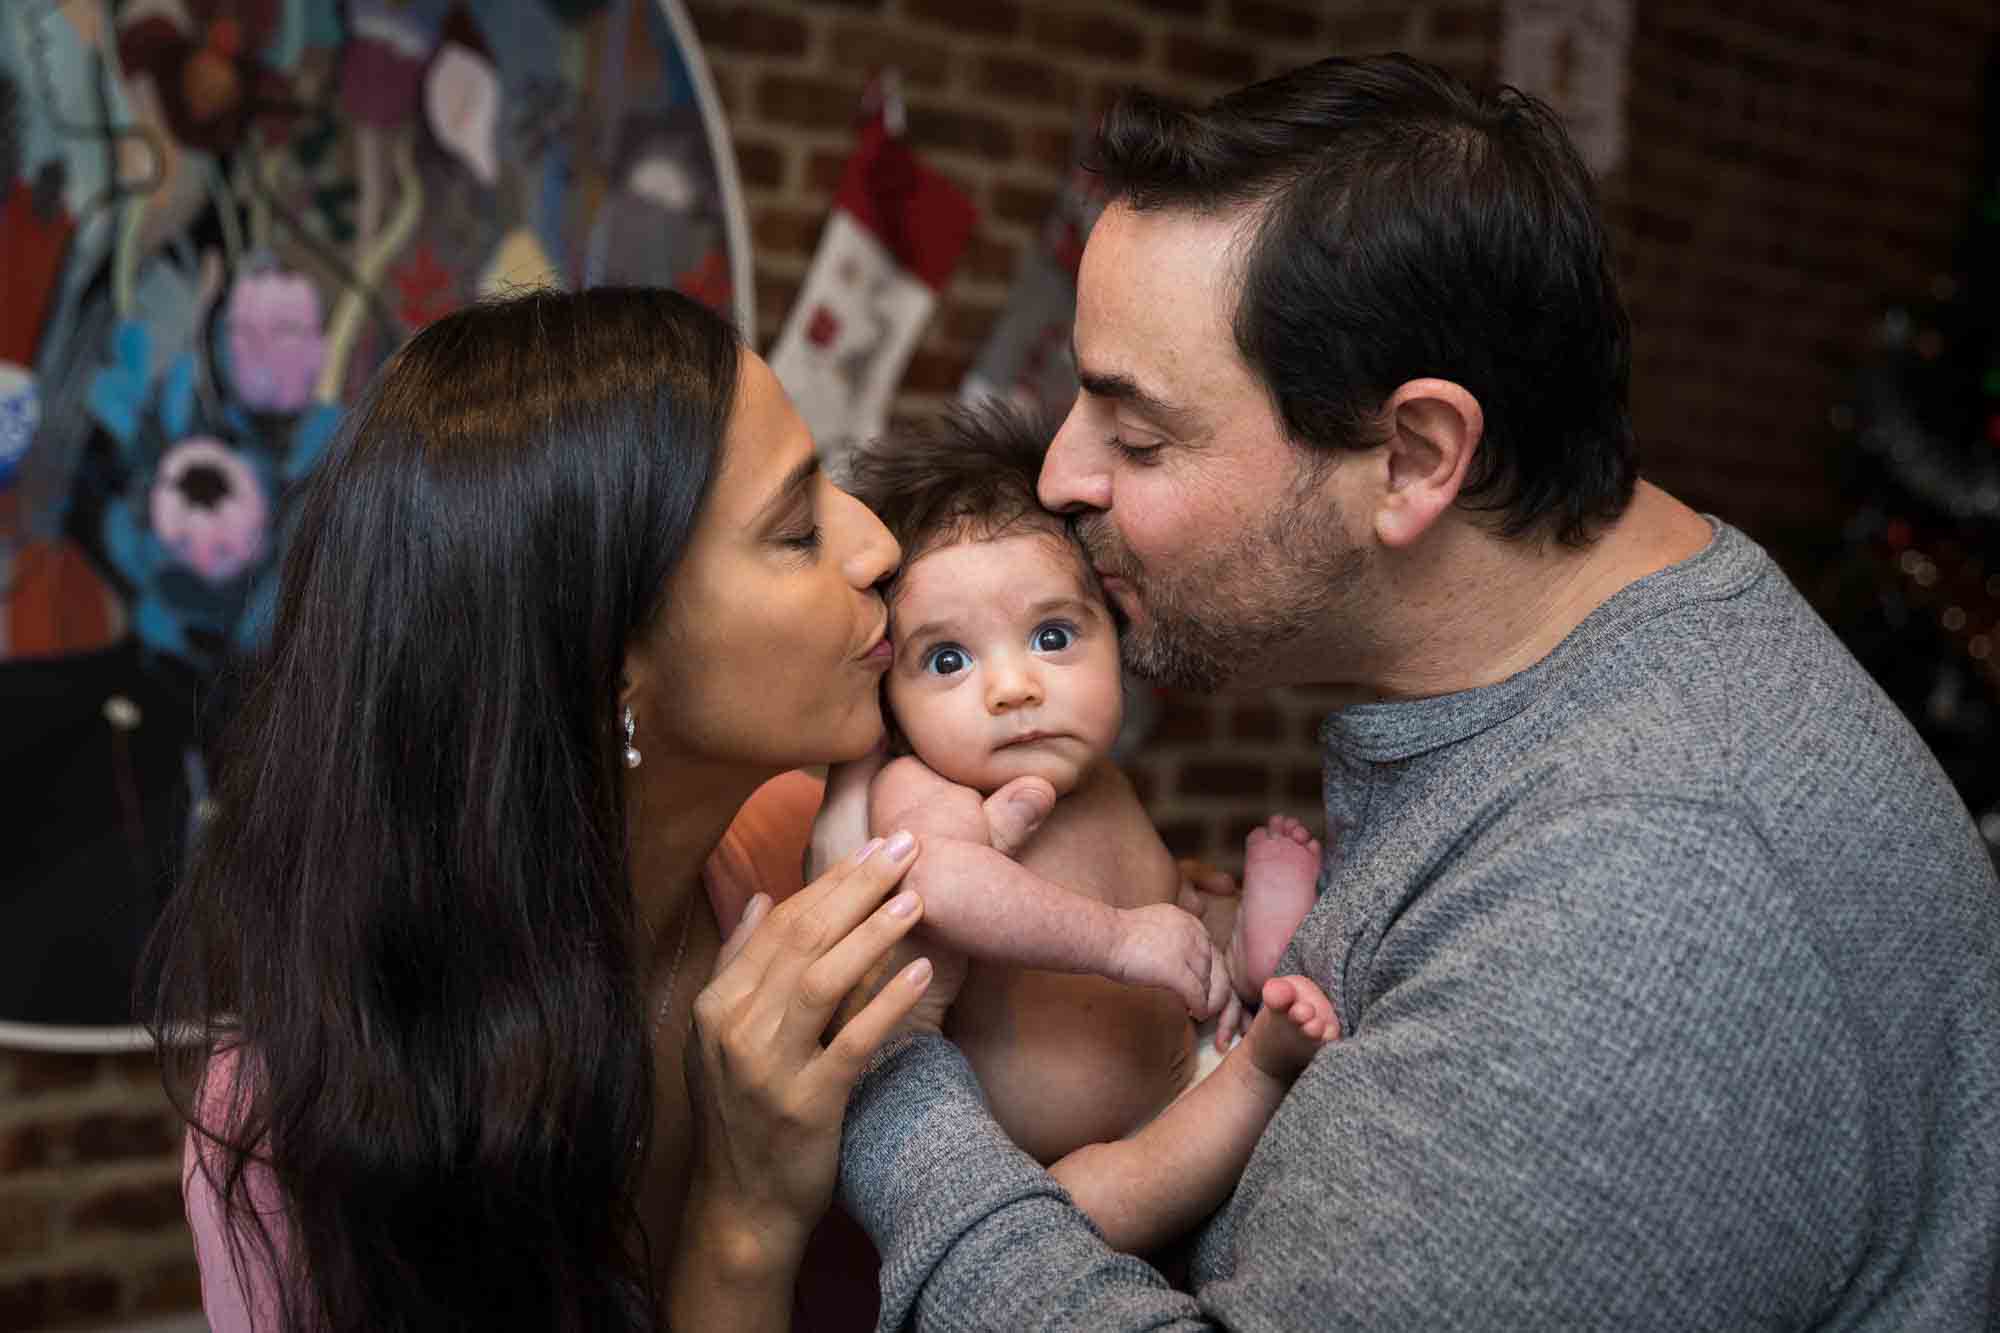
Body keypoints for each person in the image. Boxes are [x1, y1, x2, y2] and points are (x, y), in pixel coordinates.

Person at [833, 53, 2000, 1330]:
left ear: (1411, 457)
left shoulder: (1649, 900)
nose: (1059, 475)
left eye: (1138, 432)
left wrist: (887, 1086)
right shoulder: (1584, 684)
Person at [143, 286, 991, 1332]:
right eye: (796, 528)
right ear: (608, 670)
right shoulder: (292, 1130)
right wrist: (745, 1221)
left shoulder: (824, 864)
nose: (874, 547)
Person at [826, 403, 1334, 1254]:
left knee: (1196, 905)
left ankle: (1257, 951)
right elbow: (944, 886)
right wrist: (1122, 940)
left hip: (1188, 1053)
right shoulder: (926, 788)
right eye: (948, 659)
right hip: (1077, 1164)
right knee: (1090, 1204)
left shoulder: (1094, 779)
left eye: (1053, 635)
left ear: (1116, 637)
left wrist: (1185, 915)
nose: (1015, 687)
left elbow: (1146, 895)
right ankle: (1265, 1070)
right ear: (890, 697)